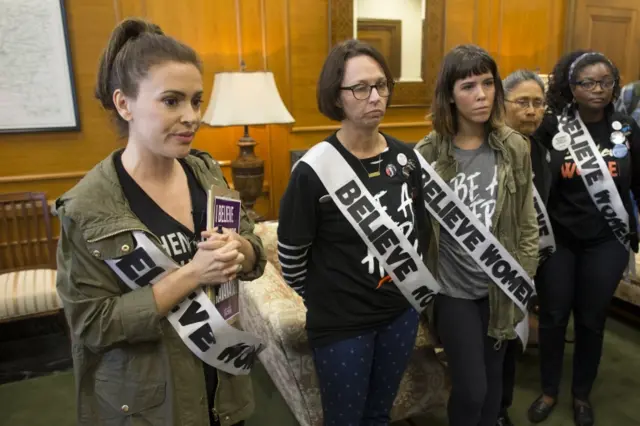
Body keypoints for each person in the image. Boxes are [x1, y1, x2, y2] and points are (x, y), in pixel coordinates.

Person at [55, 18, 266, 426]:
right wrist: (191, 274)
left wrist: (243, 250)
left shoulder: (206, 172)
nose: (191, 117)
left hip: (224, 389)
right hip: (151, 404)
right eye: (171, 101)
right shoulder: (86, 208)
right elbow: (92, 325)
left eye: (196, 100)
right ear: (124, 103)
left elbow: (248, 240)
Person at [277, 40, 432, 425]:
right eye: (361, 88)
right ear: (337, 96)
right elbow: (292, 257)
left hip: (399, 312)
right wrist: (332, 297)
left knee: (381, 414)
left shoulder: (405, 157)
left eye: (381, 85)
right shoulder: (313, 172)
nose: (375, 96)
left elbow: (420, 230)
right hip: (341, 323)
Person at [415, 45, 539, 426]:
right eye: (469, 86)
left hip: (501, 287)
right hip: (452, 292)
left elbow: (527, 224)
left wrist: (522, 277)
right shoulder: (428, 153)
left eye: (488, 83)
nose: (482, 95)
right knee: (471, 391)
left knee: (492, 396)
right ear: (449, 95)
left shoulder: (515, 147)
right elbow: (417, 231)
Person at [526, 50, 640, 426]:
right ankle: (548, 390)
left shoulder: (627, 129)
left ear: (614, 84)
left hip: (606, 241)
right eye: (587, 83)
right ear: (570, 87)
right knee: (555, 316)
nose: (597, 89)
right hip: (559, 241)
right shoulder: (550, 128)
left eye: (605, 82)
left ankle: (581, 394)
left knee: (592, 320)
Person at [499, 70, 551, 426]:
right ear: (503, 105)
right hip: (495, 262)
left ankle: (502, 406)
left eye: (538, 103)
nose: (532, 111)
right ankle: (494, 409)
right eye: (523, 102)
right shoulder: (491, 148)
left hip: (534, 259)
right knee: (497, 343)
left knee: (511, 342)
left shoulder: (544, 150)